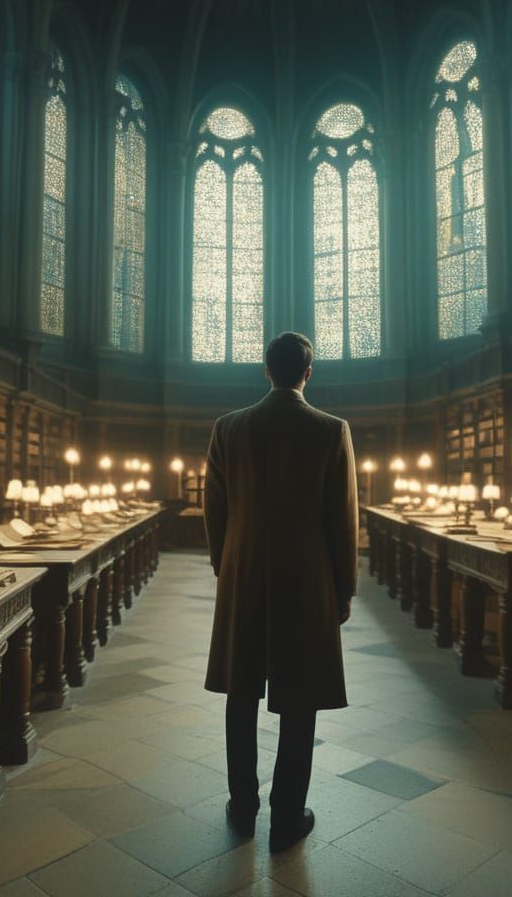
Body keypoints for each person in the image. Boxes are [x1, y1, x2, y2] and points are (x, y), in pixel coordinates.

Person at [203, 331, 359, 852]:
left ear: (266, 370)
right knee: (301, 698)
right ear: (308, 373)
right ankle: (288, 815)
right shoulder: (332, 429)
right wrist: (344, 588)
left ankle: (242, 807)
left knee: (240, 692)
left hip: (243, 572)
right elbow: (343, 519)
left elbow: (215, 512)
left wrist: (227, 568)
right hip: (307, 577)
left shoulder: (227, 427)